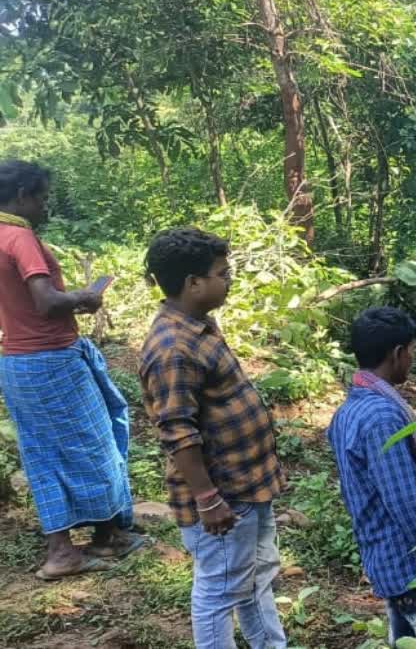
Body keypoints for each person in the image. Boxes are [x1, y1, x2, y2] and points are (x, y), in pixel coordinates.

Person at [139, 227, 286, 649]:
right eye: (223, 272)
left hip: (247, 484)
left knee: (256, 576)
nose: (230, 278)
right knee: (220, 591)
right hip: (223, 494)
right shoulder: (172, 348)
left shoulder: (198, 325)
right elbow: (177, 429)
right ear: (193, 283)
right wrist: (208, 498)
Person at [0, 159, 143, 581]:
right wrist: (85, 297)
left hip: (16, 363)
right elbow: (45, 302)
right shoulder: (21, 238)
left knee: (43, 452)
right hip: (52, 359)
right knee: (95, 440)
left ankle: (66, 547)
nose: (45, 206)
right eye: (42, 197)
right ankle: (106, 537)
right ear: (23, 196)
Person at [328, 307, 416, 646]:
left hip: (388, 560)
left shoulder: (347, 412)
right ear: (397, 353)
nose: (413, 358)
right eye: (412, 350)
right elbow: (406, 503)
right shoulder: (382, 416)